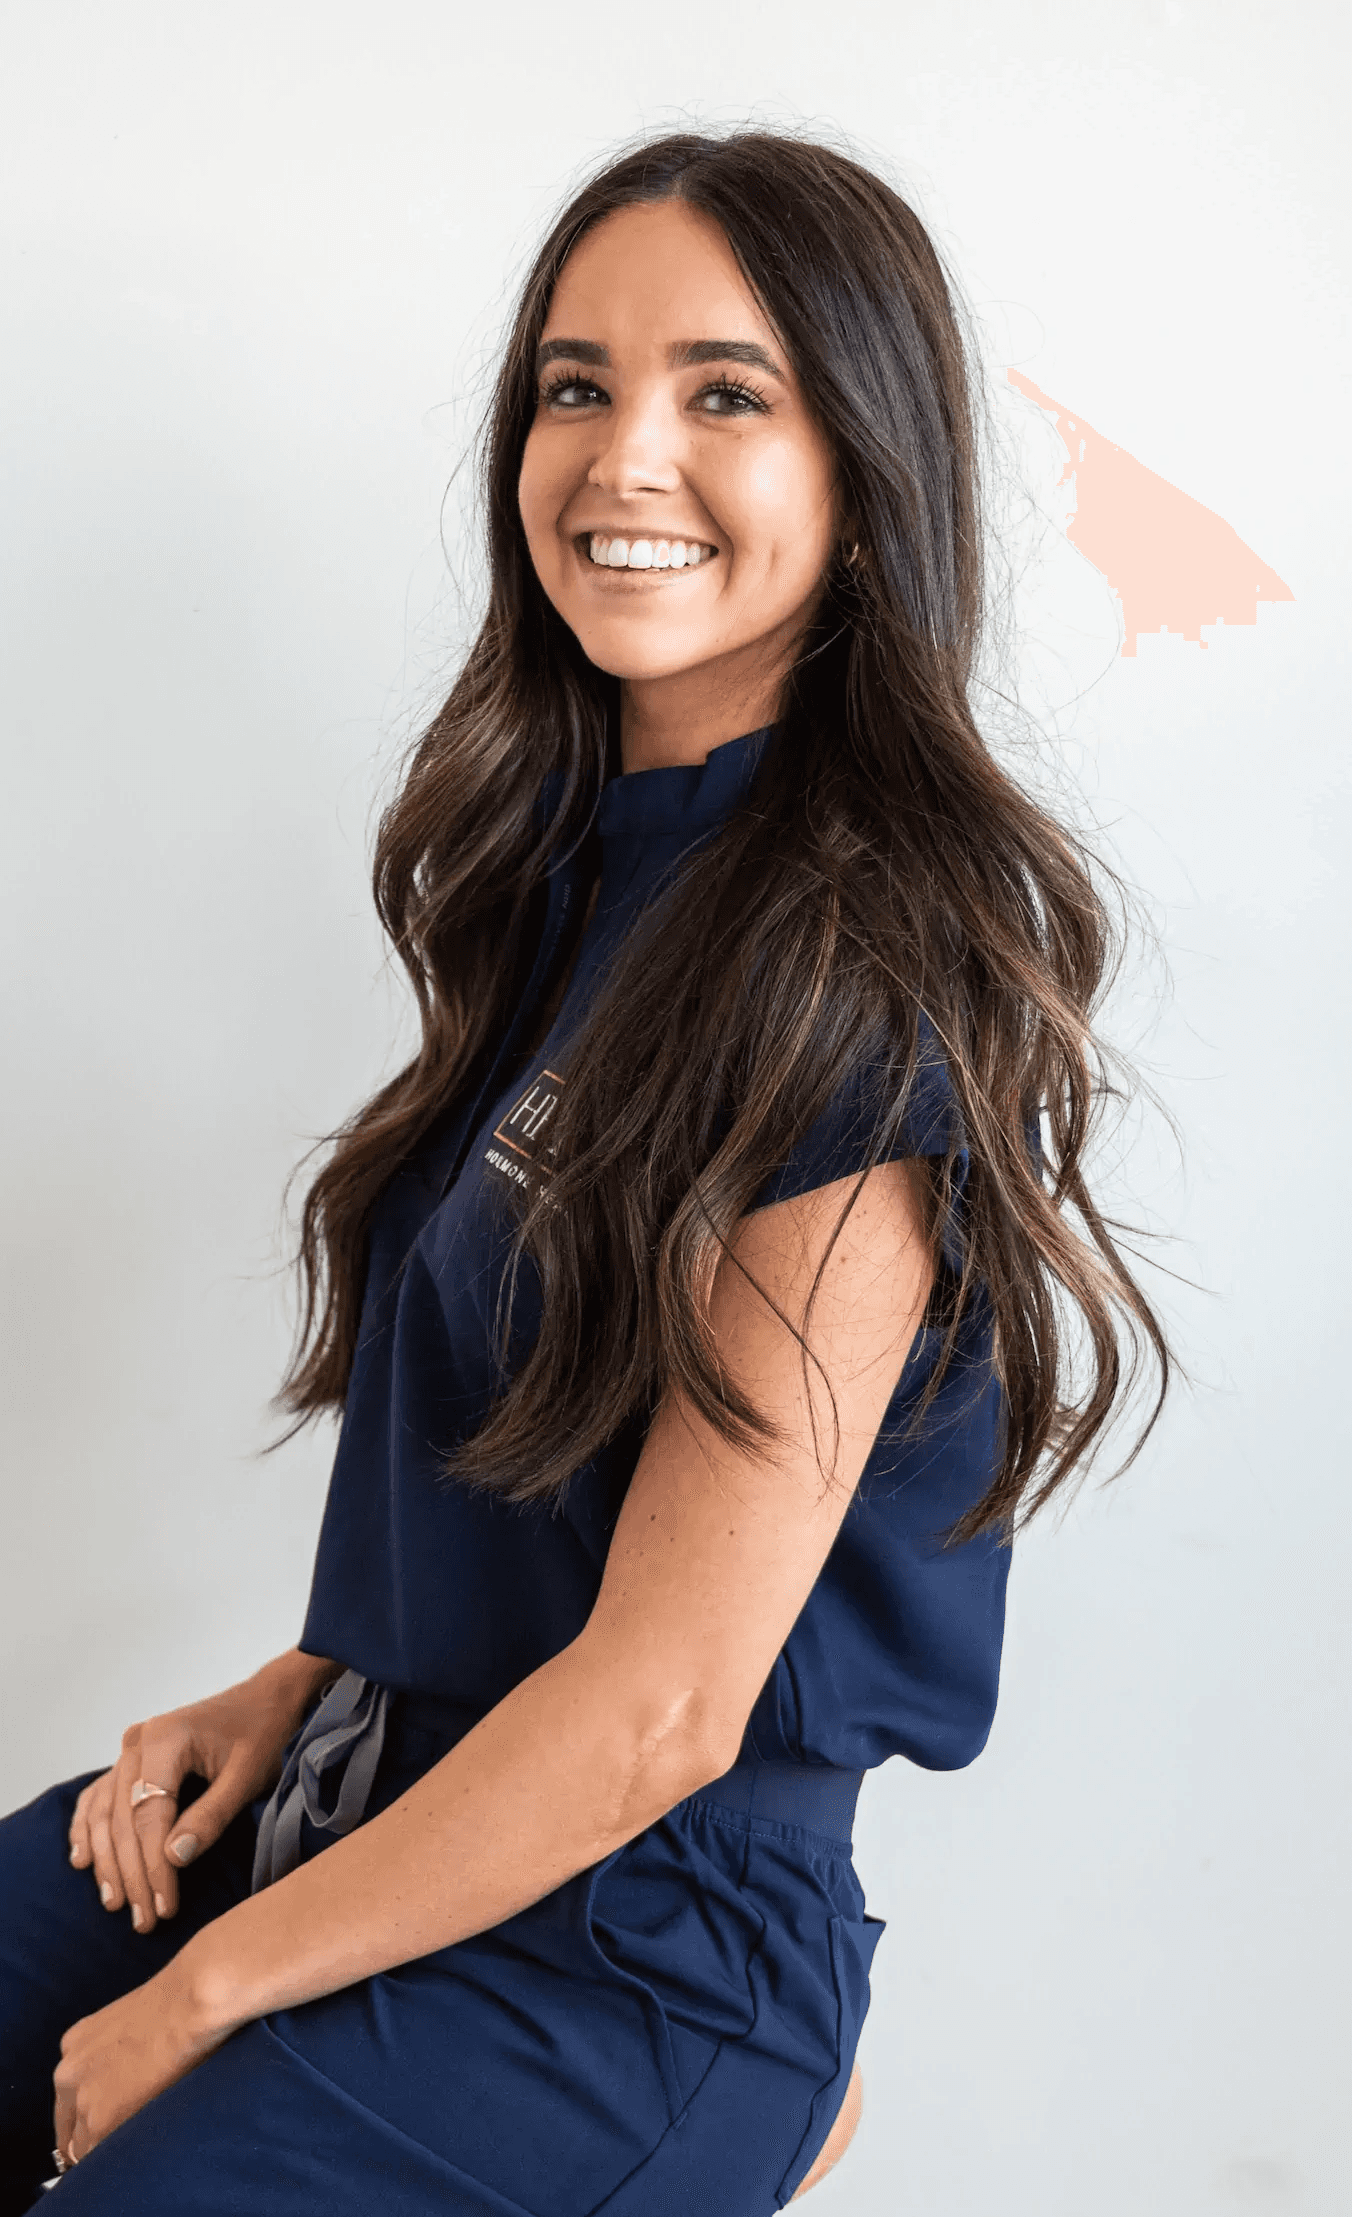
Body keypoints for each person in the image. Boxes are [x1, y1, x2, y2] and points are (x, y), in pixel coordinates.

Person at [0, 129, 1169, 2212]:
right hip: (388, 1794)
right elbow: (546, 1491)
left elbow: (660, 1706)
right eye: (573, 385)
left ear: (863, 466)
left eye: (727, 392)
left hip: (627, 1951)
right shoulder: (577, 878)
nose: (623, 456)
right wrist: (306, 1682)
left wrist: (202, 2000)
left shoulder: (852, 972)